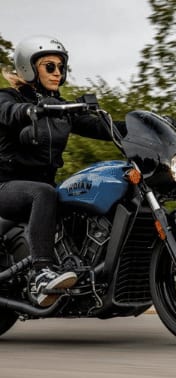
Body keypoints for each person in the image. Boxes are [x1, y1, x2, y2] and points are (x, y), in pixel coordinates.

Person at [0, 35, 119, 306]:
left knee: (81, 194)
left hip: (44, 190)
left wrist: (143, 126)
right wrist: (31, 110)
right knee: (45, 192)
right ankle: (41, 272)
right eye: (50, 66)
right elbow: (8, 112)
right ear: (29, 69)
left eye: (61, 68)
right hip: (6, 187)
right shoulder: (6, 98)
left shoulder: (61, 108)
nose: (58, 73)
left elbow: (103, 128)